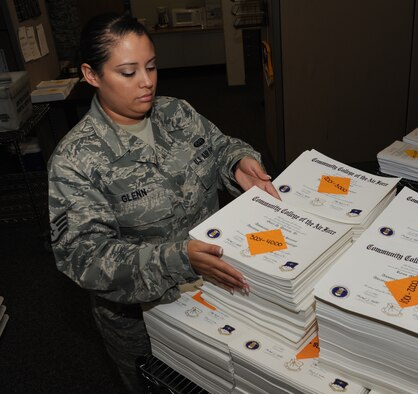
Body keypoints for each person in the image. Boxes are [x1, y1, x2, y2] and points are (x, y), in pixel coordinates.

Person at [47, 12, 279, 393]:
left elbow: (219, 146)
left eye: (151, 67)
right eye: (128, 72)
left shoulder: (177, 113)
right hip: (143, 319)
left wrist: (238, 162)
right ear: (91, 75)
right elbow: (85, 258)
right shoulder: (75, 160)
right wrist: (178, 258)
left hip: (216, 288)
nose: (147, 82)